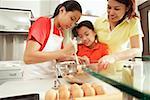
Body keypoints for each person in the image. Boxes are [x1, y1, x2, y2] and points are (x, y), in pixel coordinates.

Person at [23, 0, 82, 79]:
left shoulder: (61, 33)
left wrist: (73, 58)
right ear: (62, 10)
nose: (72, 24)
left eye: (75, 22)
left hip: (51, 79)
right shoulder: (43, 23)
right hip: (34, 78)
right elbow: (28, 57)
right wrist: (64, 52)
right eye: (72, 18)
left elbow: (55, 57)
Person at [94, 0, 143, 72]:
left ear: (127, 8)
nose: (111, 13)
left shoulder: (133, 22)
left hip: (120, 71)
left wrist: (114, 57)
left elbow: (137, 49)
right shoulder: (98, 22)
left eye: (117, 9)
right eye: (109, 7)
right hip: (100, 70)